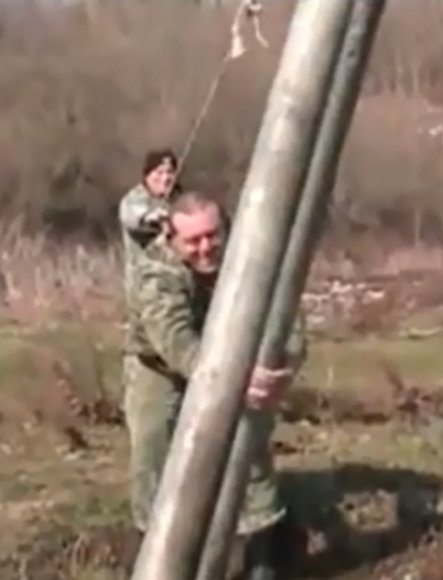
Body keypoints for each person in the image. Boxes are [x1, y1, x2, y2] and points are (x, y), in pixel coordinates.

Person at [123, 190, 308, 579]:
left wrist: (283, 369)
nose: (206, 247)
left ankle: (265, 551)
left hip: (233, 360)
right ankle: (150, 555)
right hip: (161, 368)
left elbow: (289, 319)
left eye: (213, 235)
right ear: (172, 239)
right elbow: (175, 341)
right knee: (155, 444)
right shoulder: (155, 272)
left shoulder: (252, 254)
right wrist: (232, 378)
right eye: (193, 240)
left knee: (248, 444)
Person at [119, 148, 182, 288]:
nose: (165, 178)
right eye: (159, 172)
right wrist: (150, 217)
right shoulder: (134, 199)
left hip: (178, 282)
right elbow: (132, 219)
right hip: (145, 285)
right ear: (147, 175)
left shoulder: (181, 199)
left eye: (170, 172)